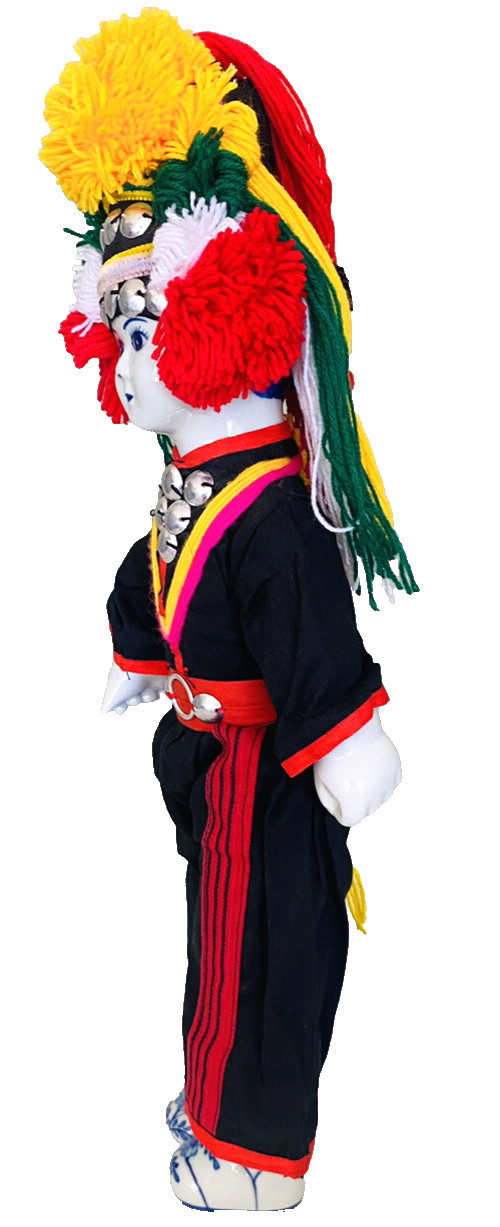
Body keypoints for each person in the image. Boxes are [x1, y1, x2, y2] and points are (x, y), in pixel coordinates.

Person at [40, 9, 417, 1211]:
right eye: (119, 323)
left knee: (268, 958)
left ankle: (253, 1152)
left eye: (145, 319)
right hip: (212, 763)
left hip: (268, 769)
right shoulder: (203, 482)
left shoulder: (269, 507)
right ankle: (215, 1103)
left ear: (223, 304)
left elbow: (305, 625)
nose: (125, 354)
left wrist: (346, 736)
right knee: (221, 950)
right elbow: (154, 559)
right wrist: (141, 644)